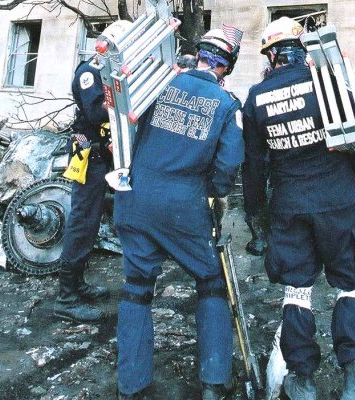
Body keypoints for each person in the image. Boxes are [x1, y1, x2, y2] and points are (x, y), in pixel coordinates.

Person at [242, 17, 355, 400]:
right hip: (339, 200)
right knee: (350, 285)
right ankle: (353, 377)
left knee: (297, 290)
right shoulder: (330, 82)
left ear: (271, 55)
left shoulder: (255, 97)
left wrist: (255, 212)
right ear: (301, 50)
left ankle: (302, 378)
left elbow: (253, 166)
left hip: (289, 206)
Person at [113, 26, 244, 400]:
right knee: (211, 281)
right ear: (227, 66)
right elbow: (228, 164)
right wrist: (214, 193)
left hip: (135, 197)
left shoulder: (159, 85)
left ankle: (131, 387)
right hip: (183, 204)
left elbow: (127, 127)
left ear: (198, 53)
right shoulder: (225, 103)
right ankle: (214, 383)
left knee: (136, 287)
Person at [53, 57, 111, 323]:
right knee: (82, 221)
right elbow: (97, 112)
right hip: (86, 149)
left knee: (90, 221)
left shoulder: (103, 71)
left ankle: (77, 284)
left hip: (94, 148)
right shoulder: (90, 71)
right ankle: (66, 298)